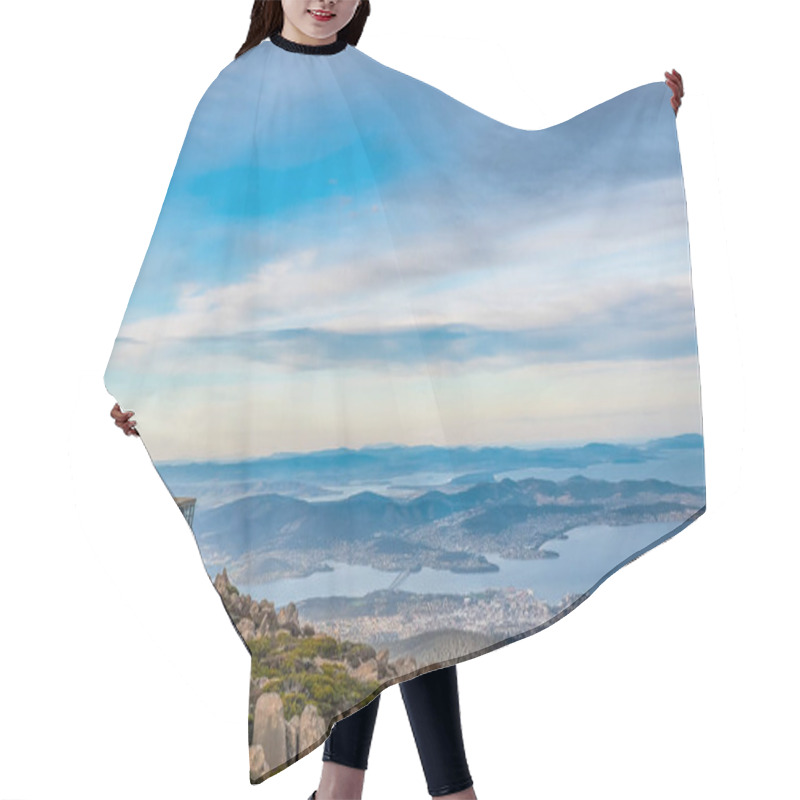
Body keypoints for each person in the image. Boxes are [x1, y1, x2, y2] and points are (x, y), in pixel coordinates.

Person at [110, 2, 685, 798]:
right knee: (357, 612)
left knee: (396, 614)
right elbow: (190, 247)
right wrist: (145, 374)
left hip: (391, 390)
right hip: (292, 399)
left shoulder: (377, 88)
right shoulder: (236, 94)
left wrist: (635, 131)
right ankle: (429, 793)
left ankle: (350, 791)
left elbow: (493, 172)